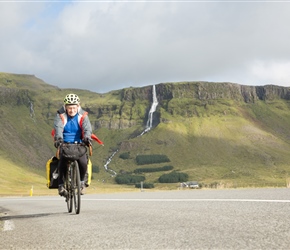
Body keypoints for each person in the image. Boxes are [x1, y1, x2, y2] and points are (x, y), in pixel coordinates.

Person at [53, 93, 92, 196]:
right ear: (65, 107)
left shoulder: (83, 116)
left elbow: (87, 128)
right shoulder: (60, 115)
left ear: (78, 106)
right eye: (69, 108)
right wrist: (59, 139)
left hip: (79, 144)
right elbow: (58, 128)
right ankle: (61, 185)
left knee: (83, 162)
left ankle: (82, 183)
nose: (72, 110)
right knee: (62, 161)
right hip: (64, 143)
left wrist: (87, 138)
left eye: (74, 108)